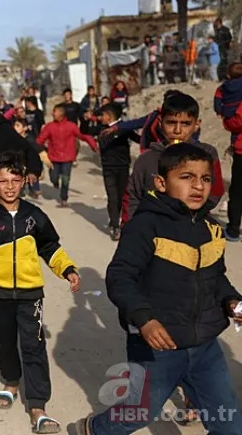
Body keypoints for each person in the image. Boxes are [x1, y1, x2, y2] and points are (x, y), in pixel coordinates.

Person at [75, 143, 242, 435]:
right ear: (162, 183)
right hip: (157, 347)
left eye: (204, 178)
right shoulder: (145, 226)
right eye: (186, 177)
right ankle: (93, 428)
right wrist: (145, 319)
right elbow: (120, 276)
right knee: (137, 414)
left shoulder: (211, 229)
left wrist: (231, 301)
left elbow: (216, 278)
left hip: (204, 345)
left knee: (230, 424)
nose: (198, 186)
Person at [0, 151, 79, 434]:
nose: (9, 186)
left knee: (33, 346)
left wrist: (67, 268)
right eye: (3, 180)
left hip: (31, 294)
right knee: (5, 343)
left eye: (15, 180)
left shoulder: (34, 216)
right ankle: (10, 383)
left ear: (23, 181)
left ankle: (38, 407)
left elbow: (51, 247)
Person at [123, 93, 223, 225]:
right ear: (160, 123)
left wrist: (192, 212)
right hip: (154, 230)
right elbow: (132, 197)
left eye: (186, 124)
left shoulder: (207, 155)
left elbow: (215, 192)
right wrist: (130, 230)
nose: (177, 130)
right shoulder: (147, 159)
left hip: (193, 227)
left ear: (197, 125)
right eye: (171, 123)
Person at [35, 104, 98, 207]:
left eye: (54, 111)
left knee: (65, 178)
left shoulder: (71, 126)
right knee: (54, 176)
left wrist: (93, 145)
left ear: (61, 113)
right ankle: (55, 182)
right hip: (54, 157)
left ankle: (64, 199)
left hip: (67, 158)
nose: (52, 113)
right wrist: (39, 150)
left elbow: (82, 136)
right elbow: (40, 140)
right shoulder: (50, 126)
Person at [97, 103, 139, 241]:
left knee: (122, 196)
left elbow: (137, 139)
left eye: (102, 115)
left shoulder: (124, 128)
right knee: (112, 197)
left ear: (109, 116)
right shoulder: (102, 129)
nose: (100, 118)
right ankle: (115, 225)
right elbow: (103, 145)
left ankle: (115, 217)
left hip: (123, 167)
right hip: (108, 168)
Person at [216, 63, 242, 241]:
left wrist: (226, 122)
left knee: (238, 191)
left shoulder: (224, 89)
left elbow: (238, 121)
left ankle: (233, 230)